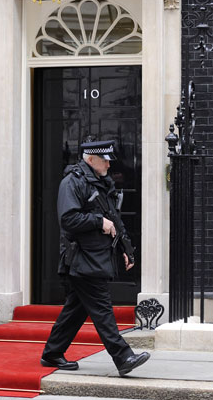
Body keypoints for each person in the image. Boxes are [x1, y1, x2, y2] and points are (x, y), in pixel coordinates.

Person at [41, 139, 150, 377]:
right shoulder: (72, 182)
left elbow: (115, 220)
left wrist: (126, 248)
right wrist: (99, 222)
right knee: (101, 308)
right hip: (82, 258)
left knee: (76, 309)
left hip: (96, 256)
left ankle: (52, 353)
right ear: (91, 160)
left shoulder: (100, 183)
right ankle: (123, 357)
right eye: (105, 161)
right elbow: (68, 219)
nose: (109, 165)